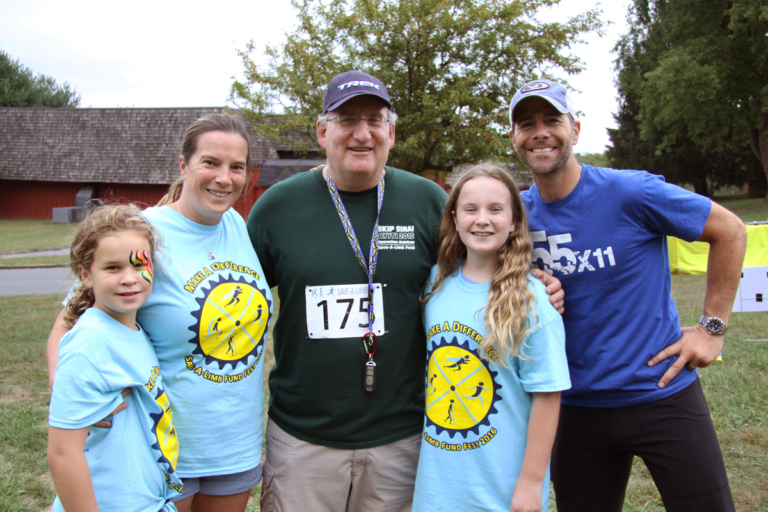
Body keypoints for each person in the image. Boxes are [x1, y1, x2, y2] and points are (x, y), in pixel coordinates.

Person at [248, 70, 563, 511]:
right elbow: (240, 290)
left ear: (391, 133)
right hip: (304, 436)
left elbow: (477, 263)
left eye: (375, 120)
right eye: (346, 119)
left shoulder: (426, 200)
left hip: (401, 437)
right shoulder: (276, 207)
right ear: (322, 131)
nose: (362, 133)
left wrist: (532, 281)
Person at [508, 79, 746, 511]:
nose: (539, 132)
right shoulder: (514, 215)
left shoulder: (632, 192)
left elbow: (729, 230)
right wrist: (528, 286)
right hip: (573, 407)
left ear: (575, 130)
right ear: (514, 139)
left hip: (662, 393)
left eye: (551, 120)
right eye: (527, 124)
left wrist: (712, 329)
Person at [47, 114, 273, 512]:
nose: (224, 178)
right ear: (183, 165)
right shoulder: (143, 235)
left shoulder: (237, 225)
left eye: (236, 167)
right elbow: (69, 322)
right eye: (210, 162)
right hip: (162, 448)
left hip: (235, 445)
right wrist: (72, 402)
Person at [412, 164, 571, 512]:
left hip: (503, 489)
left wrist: (531, 482)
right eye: (471, 209)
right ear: (454, 218)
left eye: (495, 209)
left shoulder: (532, 301)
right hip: (437, 488)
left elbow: (547, 395)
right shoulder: (436, 283)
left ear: (515, 221)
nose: (482, 219)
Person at [48, 204, 183, 511]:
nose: (129, 278)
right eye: (112, 268)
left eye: (139, 265)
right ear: (85, 274)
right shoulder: (90, 344)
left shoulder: (134, 329)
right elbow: (62, 454)